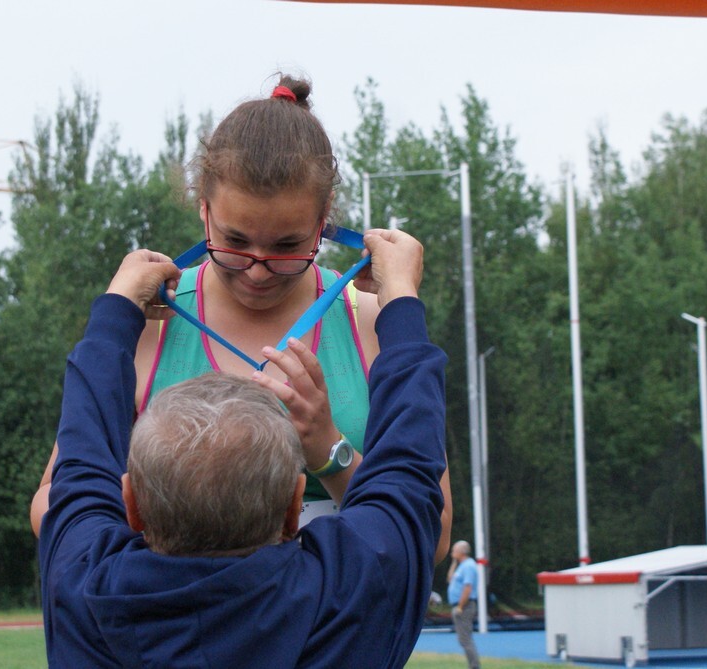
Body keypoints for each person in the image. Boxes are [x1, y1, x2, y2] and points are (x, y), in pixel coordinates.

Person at [31, 73, 451, 560]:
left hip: (329, 632)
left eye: (287, 246)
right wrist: (165, 533)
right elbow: (49, 502)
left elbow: (435, 536)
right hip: (172, 623)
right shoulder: (148, 319)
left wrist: (329, 451)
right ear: (204, 210)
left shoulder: (375, 322)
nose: (256, 270)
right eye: (234, 241)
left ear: (324, 219)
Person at [40, 229, 447, 667]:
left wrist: (115, 312)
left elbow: (81, 461)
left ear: (131, 503)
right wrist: (400, 295)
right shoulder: (352, 598)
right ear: (294, 507)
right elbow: (408, 476)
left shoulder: (85, 592)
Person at [447, 540, 481, 669]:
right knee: (463, 639)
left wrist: (460, 607)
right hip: (459, 605)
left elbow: (467, 588)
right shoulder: (461, 566)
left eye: (454, 550)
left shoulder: (468, 566)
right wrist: (454, 562)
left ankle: (474, 666)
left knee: (465, 639)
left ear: (462, 552)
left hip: (465, 606)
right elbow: (450, 579)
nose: (451, 553)